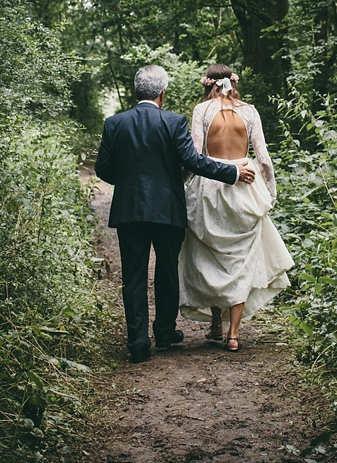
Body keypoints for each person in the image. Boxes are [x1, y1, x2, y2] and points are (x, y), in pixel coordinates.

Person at [94, 64, 256, 363]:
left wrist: (129, 181)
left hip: (129, 211)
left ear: (136, 92)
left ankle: (138, 343)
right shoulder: (174, 122)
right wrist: (232, 171)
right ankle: (166, 332)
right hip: (167, 209)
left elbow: (103, 168)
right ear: (162, 93)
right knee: (167, 270)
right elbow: (194, 162)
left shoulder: (114, 123)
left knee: (133, 276)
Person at [179, 64, 293, 352]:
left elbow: (193, 155)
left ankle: (215, 324)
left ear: (208, 84)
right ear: (232, 81)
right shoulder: (250, 111)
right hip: (245, 183)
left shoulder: (202, 111)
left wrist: (182, 187)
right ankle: (233, 334)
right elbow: (263, 158)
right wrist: (269, 192)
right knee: (240, 259)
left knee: (210, 254)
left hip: (210, 185)